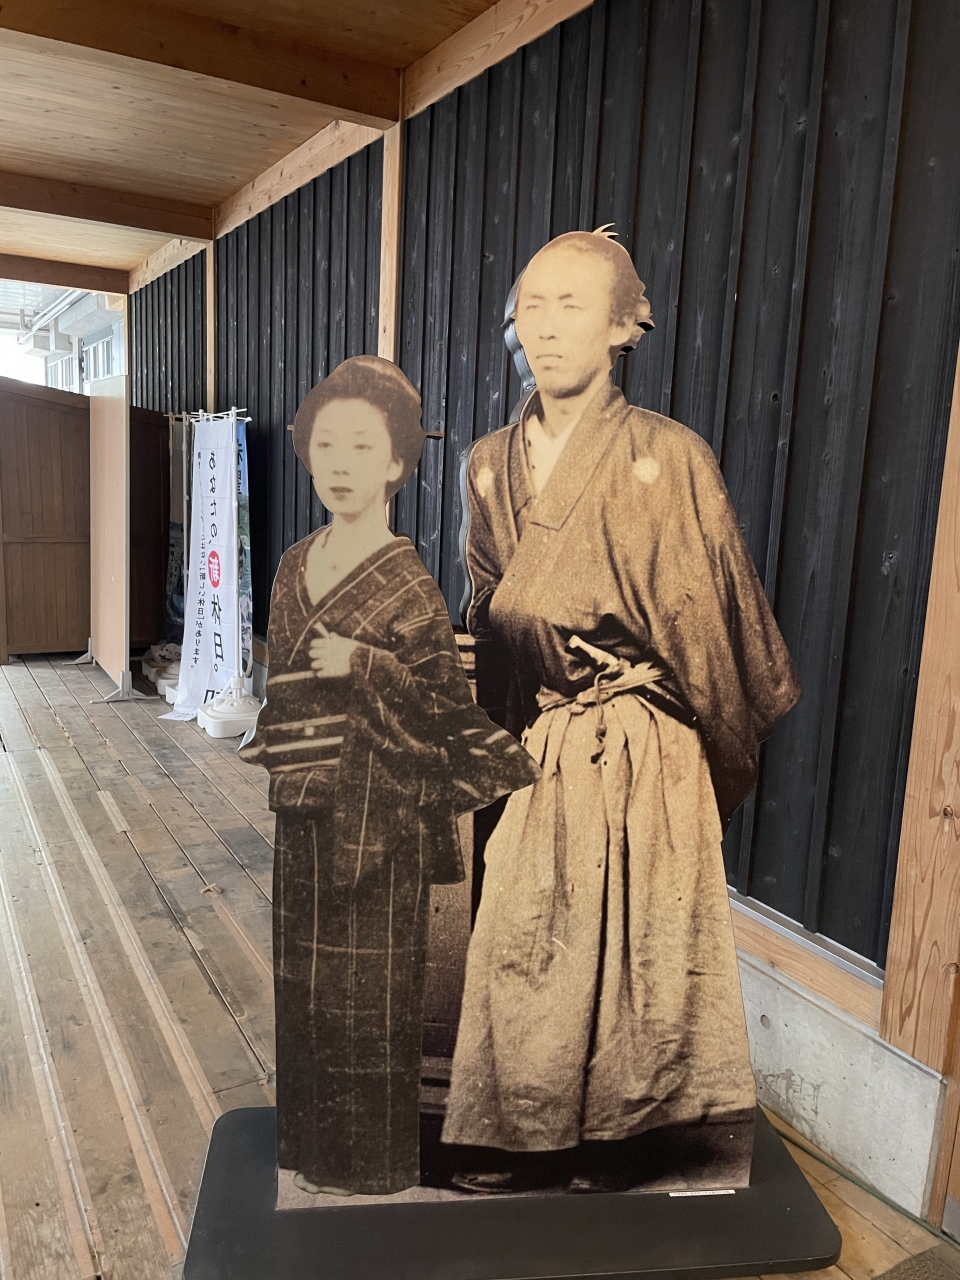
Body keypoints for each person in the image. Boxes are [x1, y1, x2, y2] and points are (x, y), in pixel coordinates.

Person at [441, 231, 801, 1192]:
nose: (548, 326)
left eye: (573, 305)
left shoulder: (668, 456)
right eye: (533, 305)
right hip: (550, 731)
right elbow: (488, 609)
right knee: (525, 931)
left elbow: (719, 627)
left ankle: (629, 1142)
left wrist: (710, 758)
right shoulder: (488, 464)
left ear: (621, 326)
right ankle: (519, 1132)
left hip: (648, 739)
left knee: (645, 945)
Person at [239, 355, 538, 1197]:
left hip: (379, 823)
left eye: (362, 447)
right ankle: (307, 1149)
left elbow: (444, 717)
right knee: (305, 986)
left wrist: (367, 666)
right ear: (307, 452)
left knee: (367, 993)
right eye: (327, 444)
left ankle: (371, 1166)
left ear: (398, 462)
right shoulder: (293, 564)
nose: (341, 464)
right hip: (304, 810)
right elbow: (283, 683)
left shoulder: (408, 584)